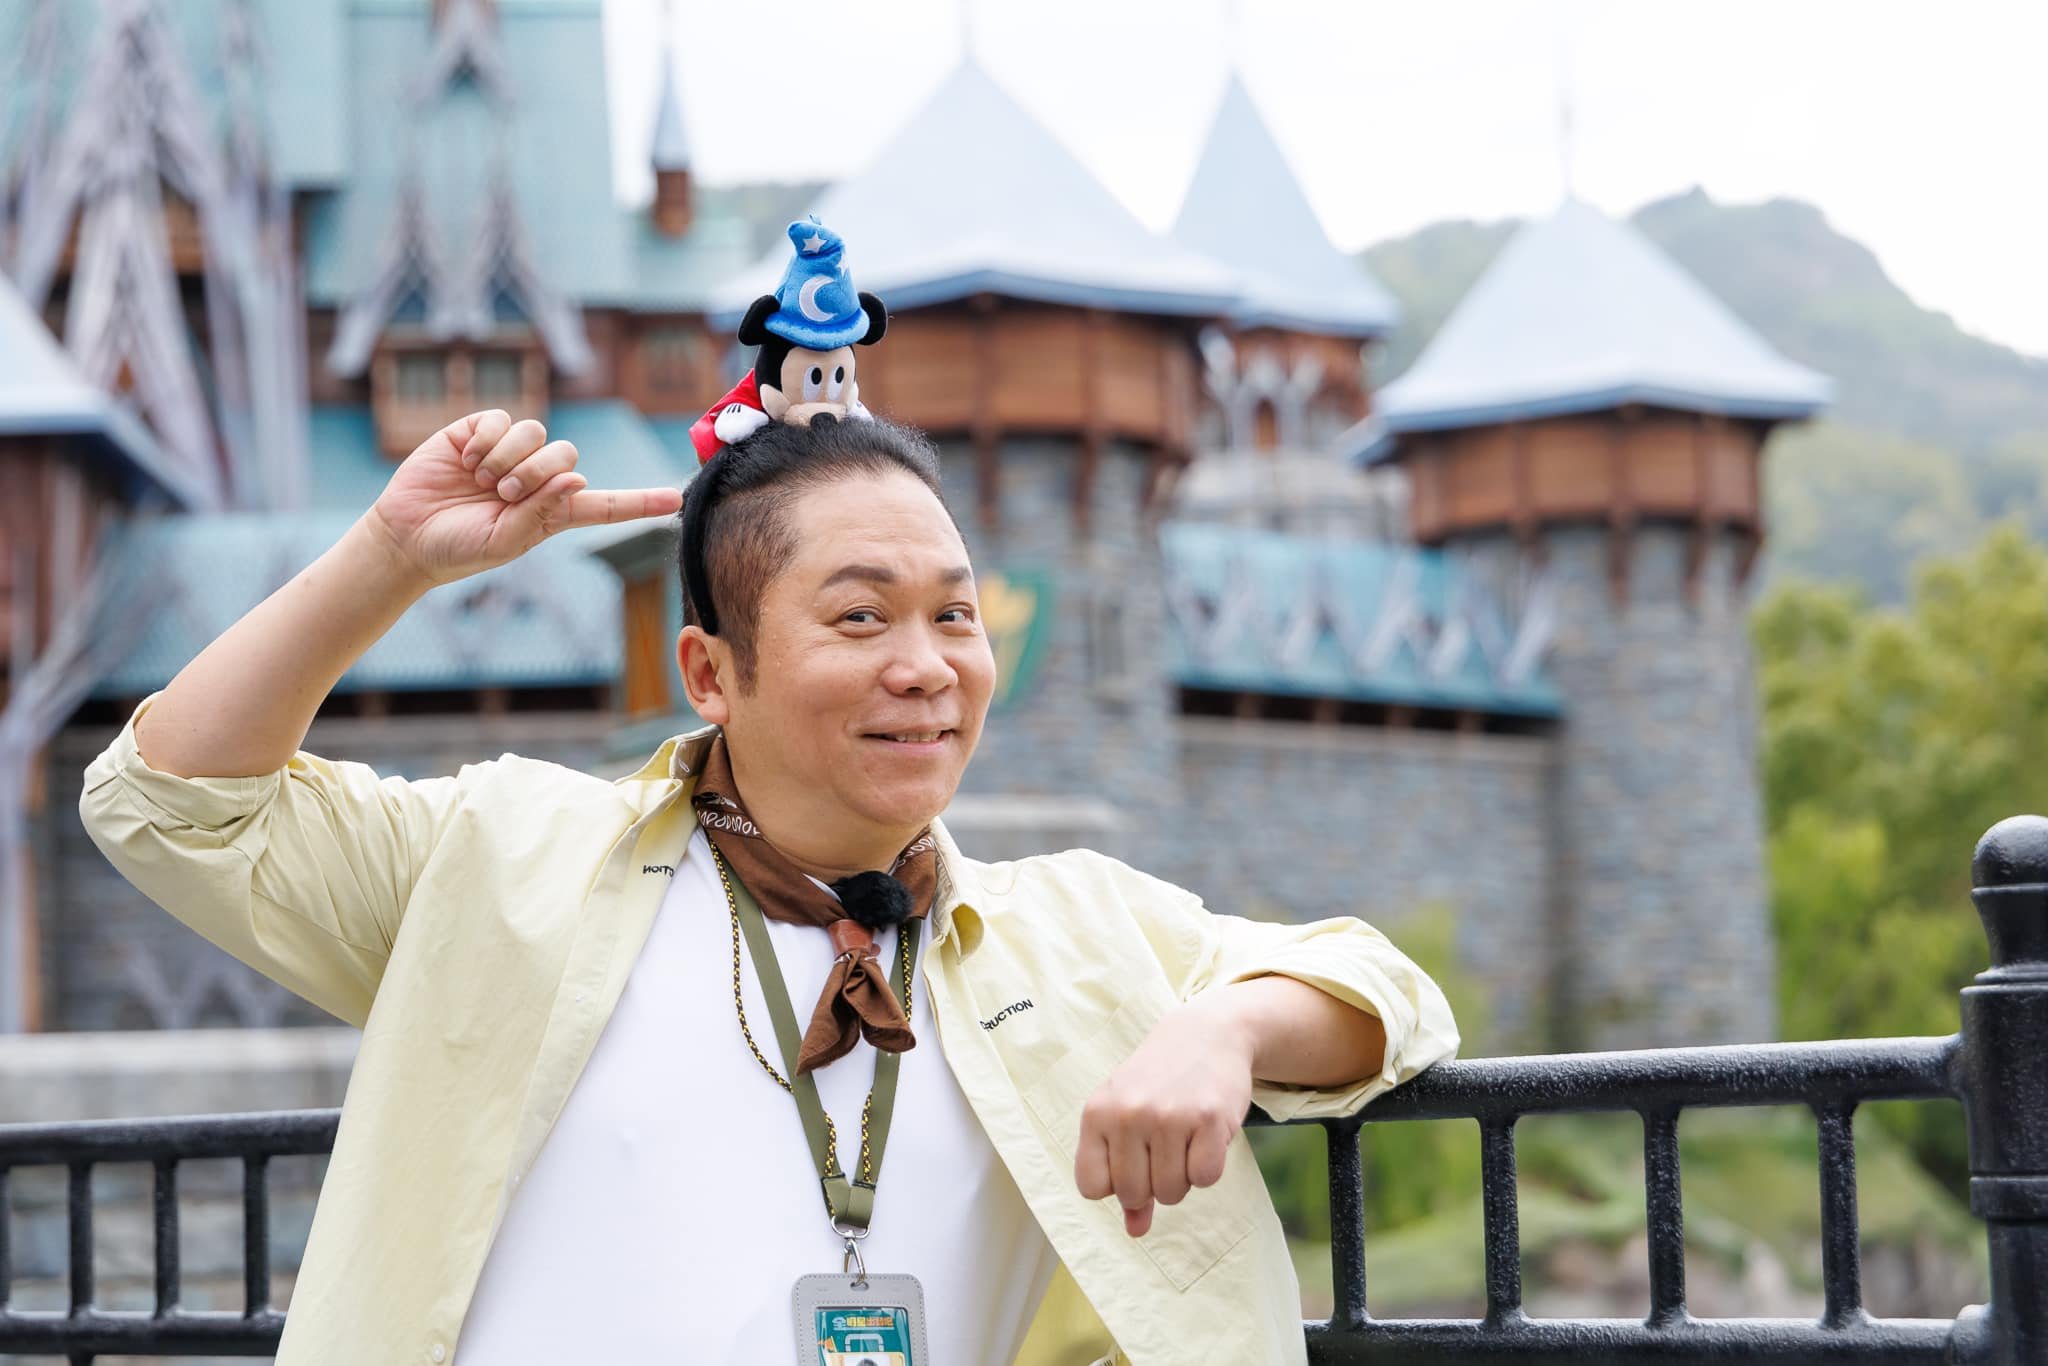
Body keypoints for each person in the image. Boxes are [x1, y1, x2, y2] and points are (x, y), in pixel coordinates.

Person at [80, 405, 1459, 1365]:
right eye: (860, 616)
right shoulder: (504, 859)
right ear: (710, 672)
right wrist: (386, 562)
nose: (925, 664)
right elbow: (166, 801)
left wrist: (1224, 1028)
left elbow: (1386, 990)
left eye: (955, 613)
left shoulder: (1071, 927)